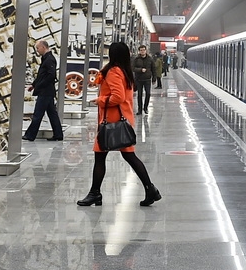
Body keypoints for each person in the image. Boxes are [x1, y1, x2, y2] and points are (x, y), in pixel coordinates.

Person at [77, 41, 161, 207]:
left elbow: (118, 97)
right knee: (128, 156)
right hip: (123, 120)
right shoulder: (124, 71)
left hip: (112, 122)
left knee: (100, 155)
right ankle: (150, 189)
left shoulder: (114, 71)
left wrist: (100, 100)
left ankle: (95, 193)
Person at [22, 38, 62, 141]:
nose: (37, 50)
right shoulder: (46, 58)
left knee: (38, 114)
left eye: (38, 48)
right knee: (52, 114)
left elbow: (51, 76)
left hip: (45, 92)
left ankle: (30, 135)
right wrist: (34, 85)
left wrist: (39, 85)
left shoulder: (49, 59)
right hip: (47, 91)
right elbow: (42, 75)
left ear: (43, 47)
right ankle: (58, 134)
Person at [131, 44, 157, 115]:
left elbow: (154, 69)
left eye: (143, 50)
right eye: (141, 50)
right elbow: (133, 68)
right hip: (139, 79)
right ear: (139, 51)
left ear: (146, 51)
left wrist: (154, 78)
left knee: (148, 93)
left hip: (147, 79)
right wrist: (140, 70)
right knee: (139, 95)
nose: (142, 51)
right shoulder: (136, 59)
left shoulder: (150, 59)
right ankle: (139, 109)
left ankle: (145, 108)